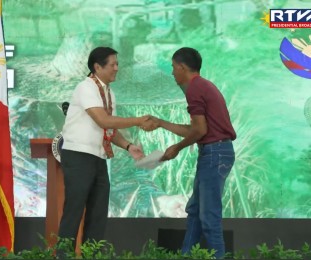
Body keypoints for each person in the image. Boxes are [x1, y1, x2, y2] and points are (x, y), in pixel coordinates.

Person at [57, 46, 154, 252]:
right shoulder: (86, 87)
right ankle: (63, 256)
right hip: (78, 156)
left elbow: (110, 127)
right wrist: (138, 120)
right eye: (113, 64)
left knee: (98, 213)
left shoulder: (109, 92)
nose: (117, 68)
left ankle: (92, 255)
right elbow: (102, 119)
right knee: (74, 211)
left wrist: (128, 146)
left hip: (98, 157)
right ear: (97, 67)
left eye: (117, 64)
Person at [153, 47, 236, 258]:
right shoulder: (202, 86)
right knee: (195, 212)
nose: (172, 72)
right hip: (216, 152)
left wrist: (177, 148)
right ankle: (186, 254)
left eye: (173, 67)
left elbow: (200, 130)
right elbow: (196, 128)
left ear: (182, 67)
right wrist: (162, 123)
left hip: (215, 153)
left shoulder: (194, 88)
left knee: (208, 217)